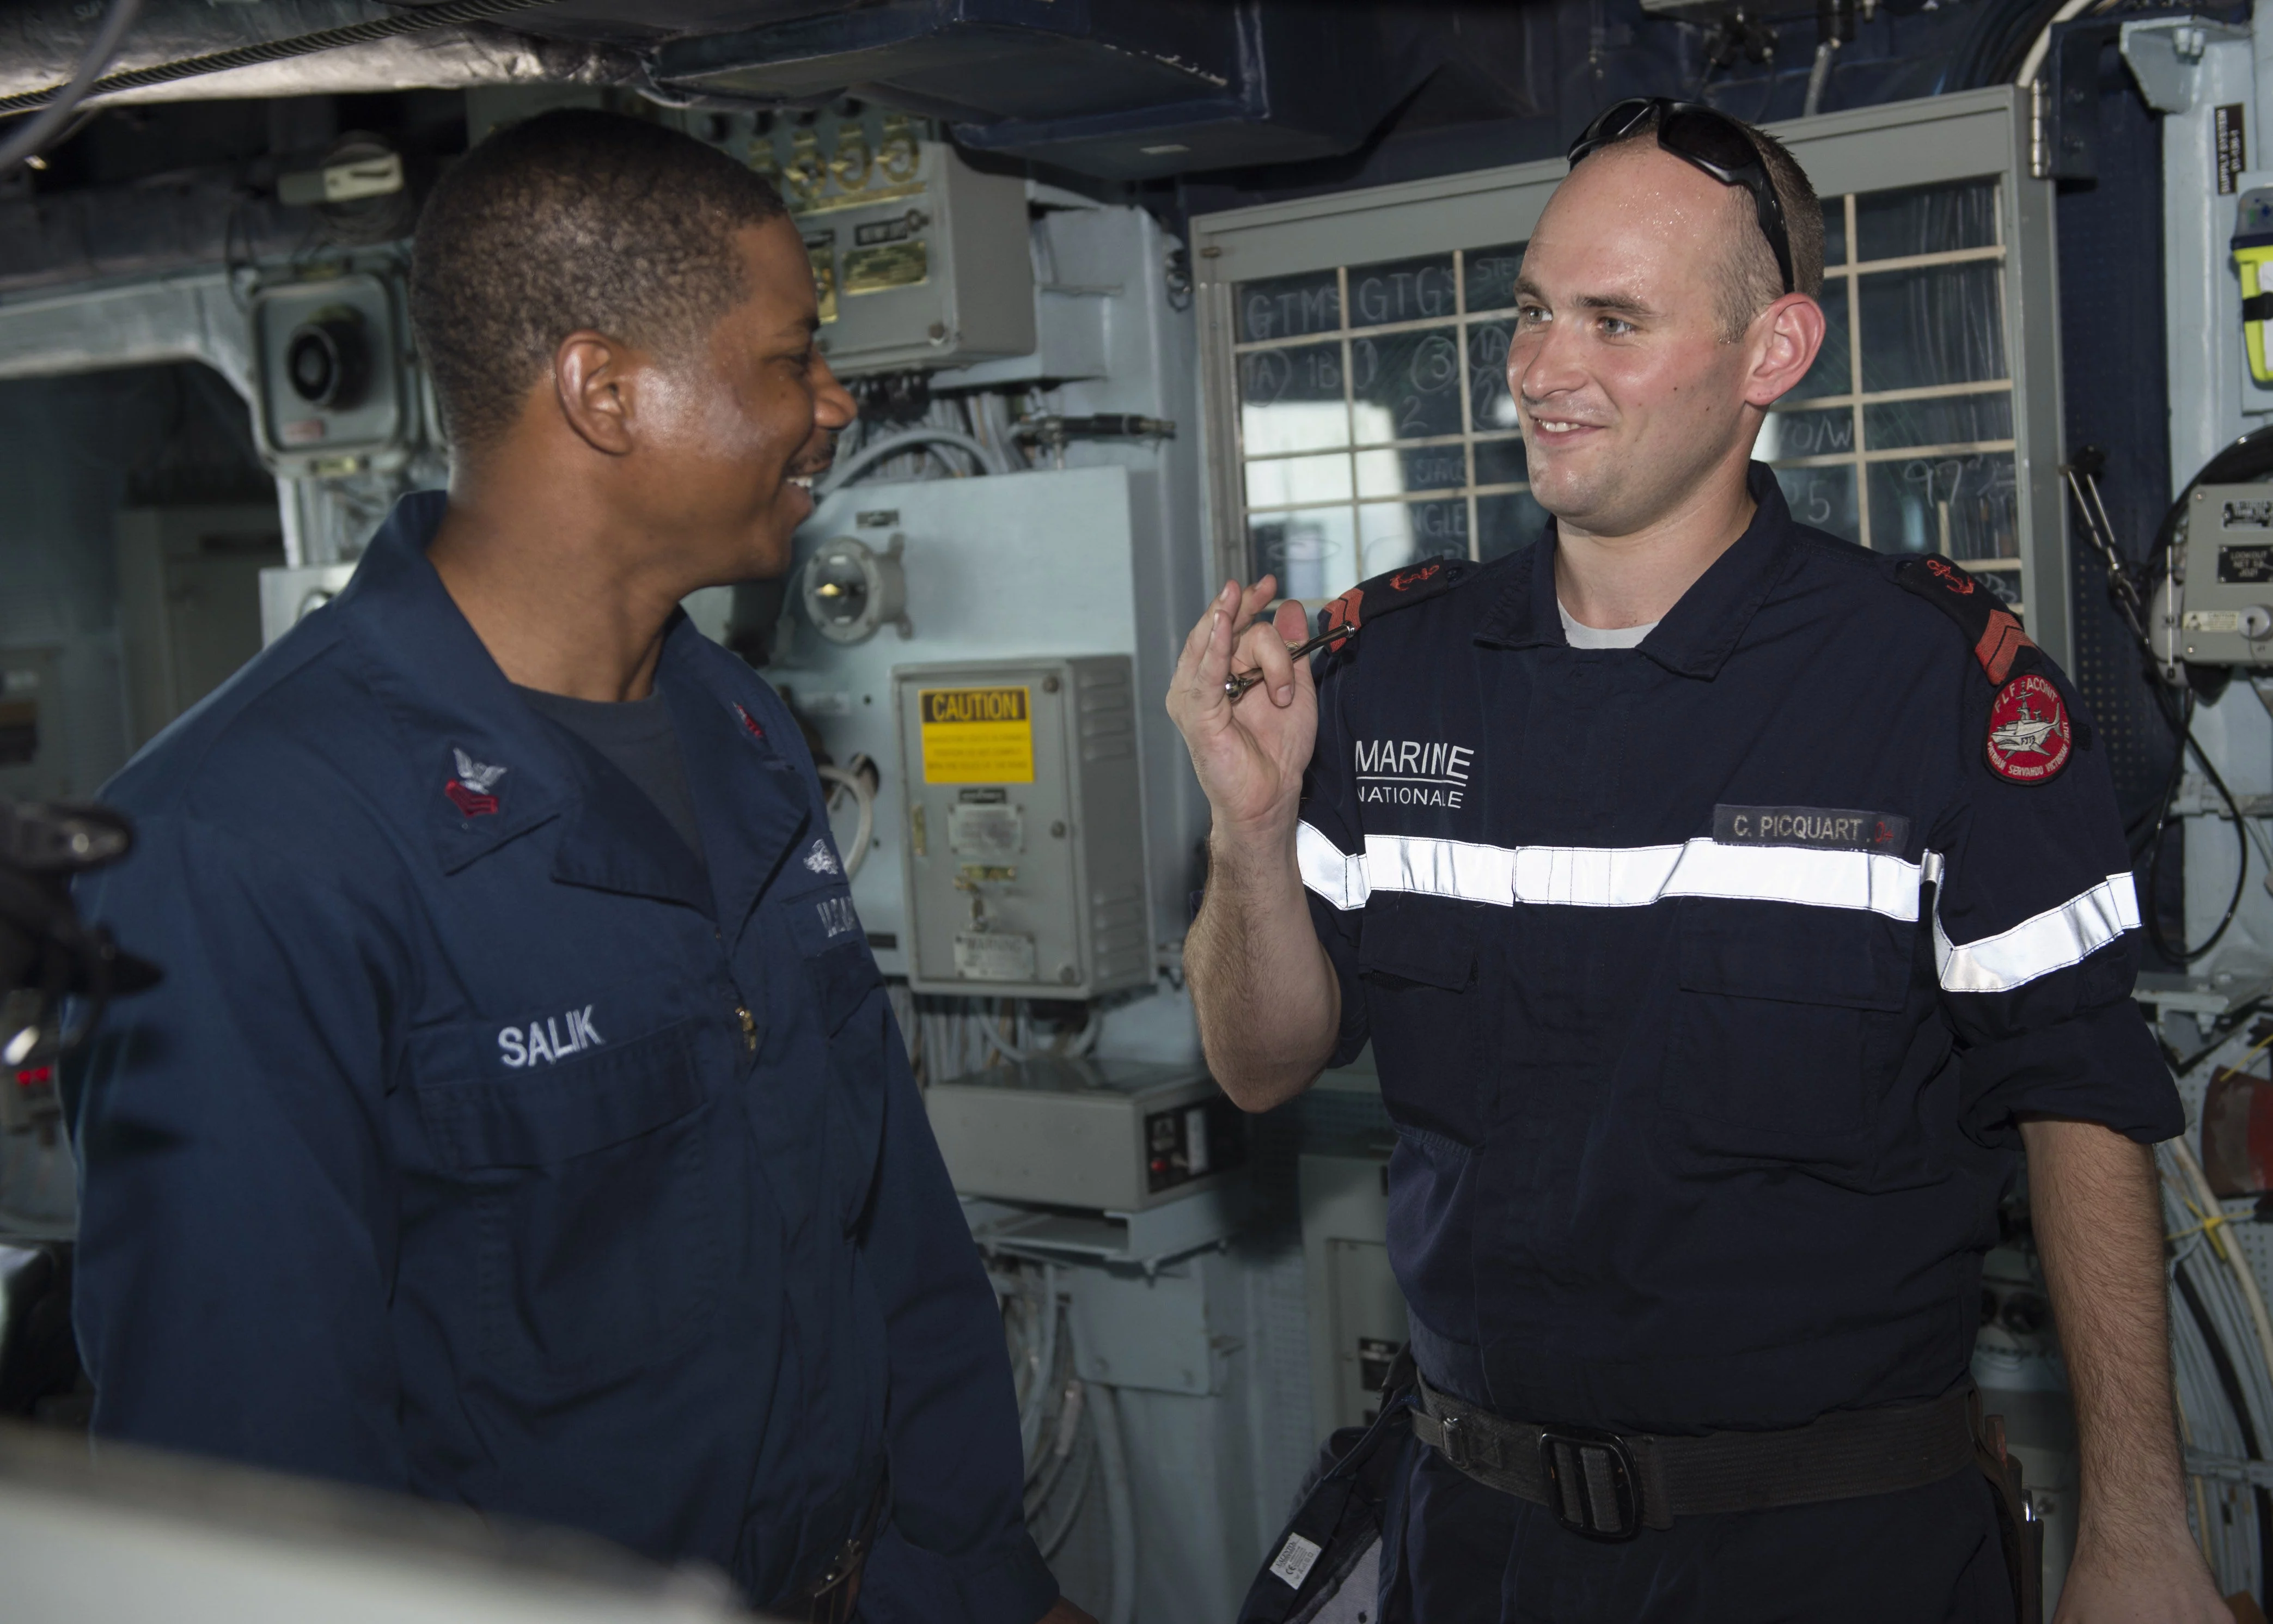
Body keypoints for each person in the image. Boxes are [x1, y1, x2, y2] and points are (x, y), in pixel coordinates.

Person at [1172, 98, 2226, 1622]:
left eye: (1613, 321)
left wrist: (2138, 1529)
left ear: (1770, 354)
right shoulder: (1390, 676)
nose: (1543, 368)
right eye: (1532, 310)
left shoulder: (1932, 688)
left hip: (1830, 1552)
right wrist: (1251, 828)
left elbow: (2082, 1099)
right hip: (1476, 1542)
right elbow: (1261, 1063)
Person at [69, 109, 1087, 1624]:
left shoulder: (740, 730)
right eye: (790, 357)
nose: (833, 401)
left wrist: (983, 1578)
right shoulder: (237, 844)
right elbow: (246, 1475)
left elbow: (888, 1229)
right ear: (602, 390)